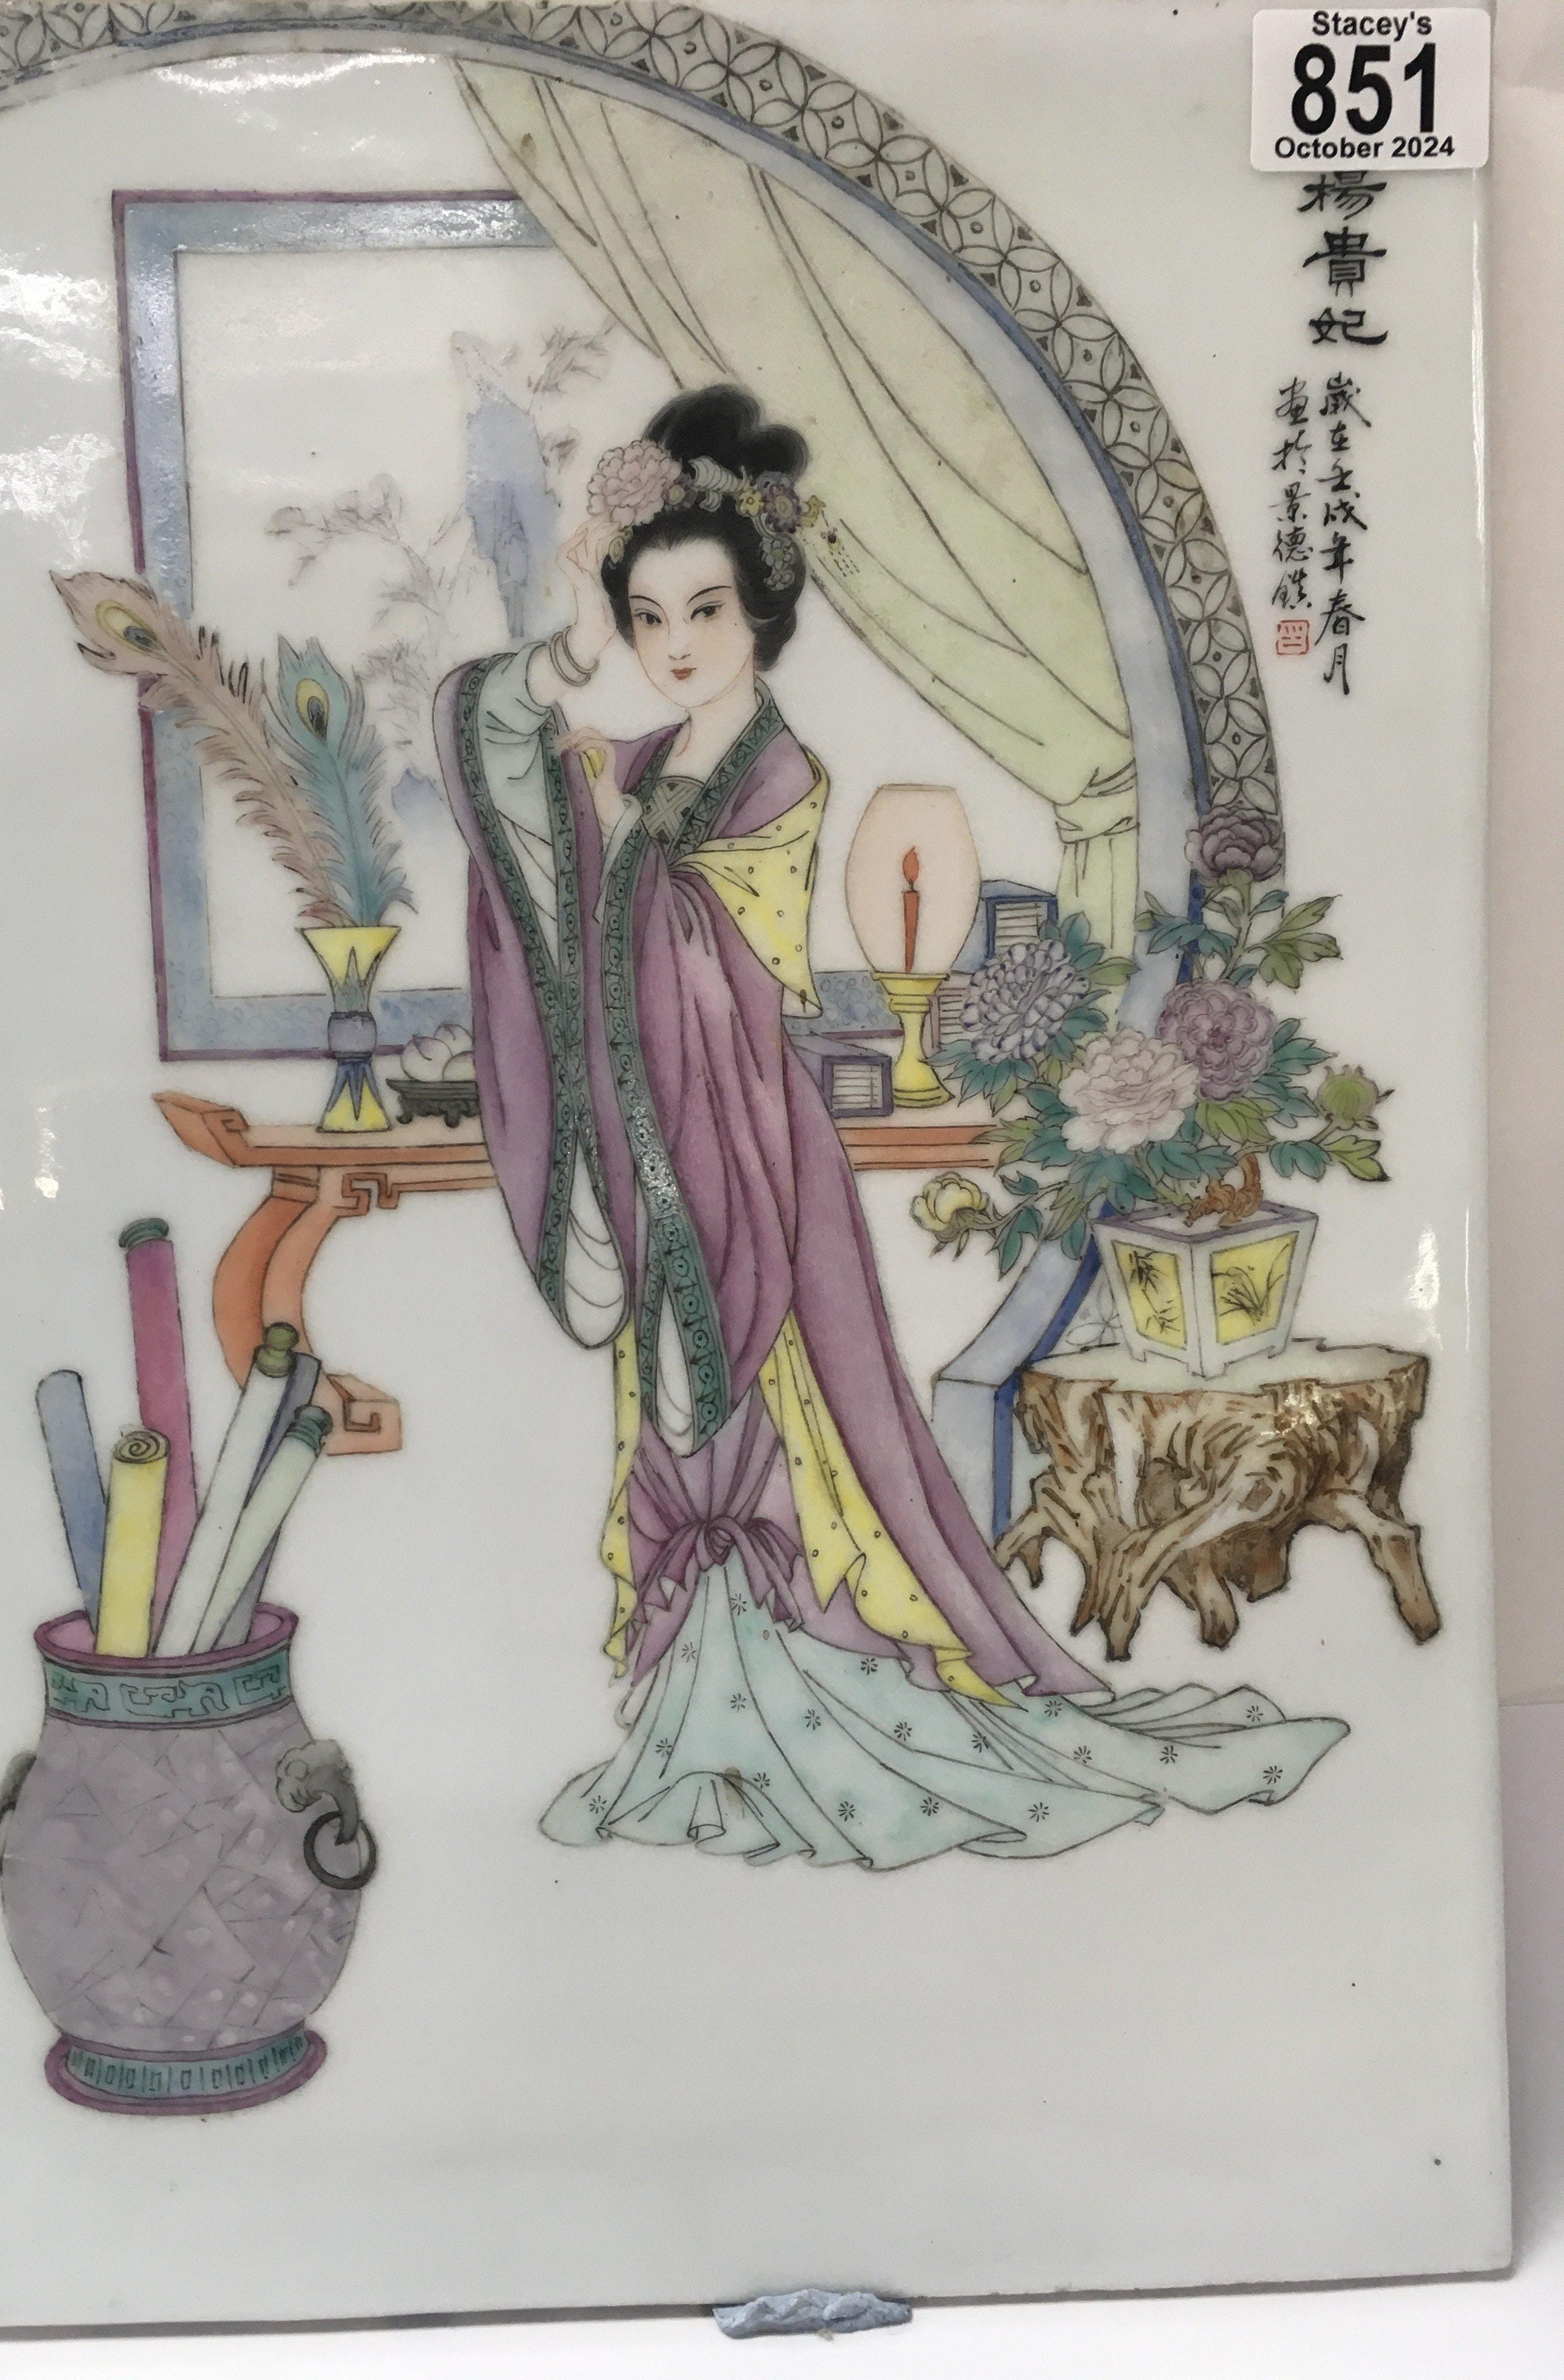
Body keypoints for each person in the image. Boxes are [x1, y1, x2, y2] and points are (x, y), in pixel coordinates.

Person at [436, 385, 1344, 1867]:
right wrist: (575, 651)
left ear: (761, 614)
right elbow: (510, 772)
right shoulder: (642, 767)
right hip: (665, 1129)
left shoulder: (775, 773)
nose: (675, 644)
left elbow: (692, 949)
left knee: (791, 1408)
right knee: (683, 1411)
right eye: (649, 615)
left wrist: (605, 842)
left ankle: (801, 1683)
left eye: (704, 610)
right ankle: (708, 1697)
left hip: (745, 1134)